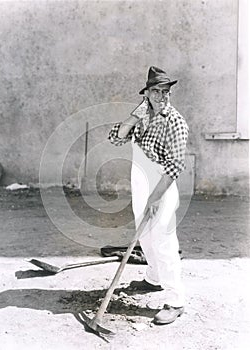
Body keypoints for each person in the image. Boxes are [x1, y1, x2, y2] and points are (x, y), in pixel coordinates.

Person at [108, 66, 189, 325]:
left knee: (163, 240)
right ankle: (154, 279)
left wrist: (155, 197)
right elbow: (116, 138)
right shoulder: (141, 117)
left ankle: (176, 301)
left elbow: (174, 167)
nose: (162, 96)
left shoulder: (175, 122)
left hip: (161, 188)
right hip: (140, 184)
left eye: (166, 92)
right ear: (146, 94)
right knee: (144, 236)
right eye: (156, 91)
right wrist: (135, 115)